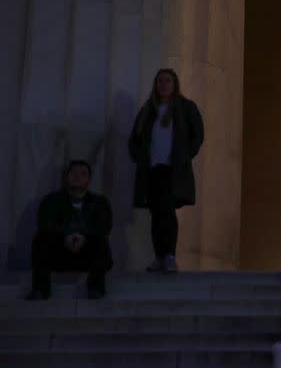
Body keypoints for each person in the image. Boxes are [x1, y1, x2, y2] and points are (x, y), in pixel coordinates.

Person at [128, 68, 204, 274]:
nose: (163, 84)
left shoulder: (185, 107)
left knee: (167, 213)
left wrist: (185, 156)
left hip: (172, 170)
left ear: (174, 84)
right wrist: (139, 157)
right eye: (160, 81)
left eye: (167, 80)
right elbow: (135, 139)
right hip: (152, 170)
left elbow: (197, 135)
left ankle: (169, 255)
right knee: (156, 214)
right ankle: (159, 256)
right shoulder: (148, 110)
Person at [27, 160, 113, 300]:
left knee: (100, 240)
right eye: (74, 173)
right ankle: (40, 290)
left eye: (83, 174)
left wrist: (84, 237)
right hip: (59, 254)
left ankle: (95, 289)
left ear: (89, 179)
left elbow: (104, 227)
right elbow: (44, 223)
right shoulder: (52, 200)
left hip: (88, 254)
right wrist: (66, 236)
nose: (78, 177)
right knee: (41, 237)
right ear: (67, 177)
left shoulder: (100, 202)